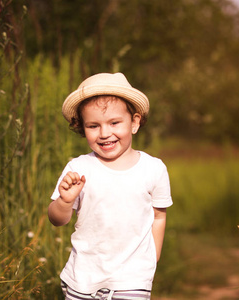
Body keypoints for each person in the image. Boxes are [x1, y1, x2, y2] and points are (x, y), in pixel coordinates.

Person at [48, 72, 173, 300]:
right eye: (93, 126)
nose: (105, 134)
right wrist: (64, 201)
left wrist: (152, 256)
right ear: (82, 128)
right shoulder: (78, 168)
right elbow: (58, 220)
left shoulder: (153, 169)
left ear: (134, 122)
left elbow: (158, 216)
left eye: (115, 123)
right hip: (83, 275)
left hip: (133, 278)